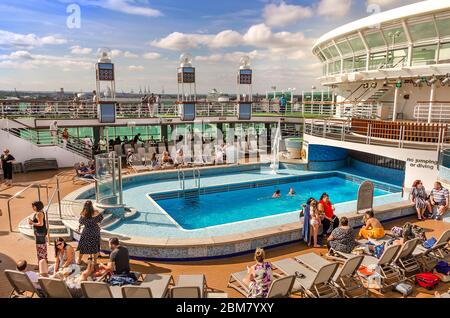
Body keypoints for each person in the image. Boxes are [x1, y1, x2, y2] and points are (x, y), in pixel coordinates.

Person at [77, 201, 103, 265]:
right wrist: (96, 223)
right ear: (91, 206)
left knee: (83, 247)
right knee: (95, 247)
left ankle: (79, 260)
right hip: (95, 231)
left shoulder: (83, 213)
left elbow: (81, 222)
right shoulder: (96, 212)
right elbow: (101, 218)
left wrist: (80, 227)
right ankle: (95, 262)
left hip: (87, 231)